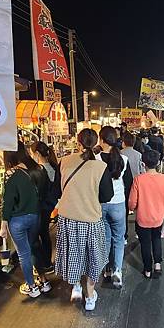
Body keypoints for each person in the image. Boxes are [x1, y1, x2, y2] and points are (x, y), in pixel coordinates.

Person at [56, 129, 114, 311]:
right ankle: (89, 297)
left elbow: (58, 191)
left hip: (67, 218)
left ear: (78, 143)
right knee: (92, 258)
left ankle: (76, 287)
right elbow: (107, 196)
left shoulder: (64, 161)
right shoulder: (100, 167)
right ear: (96, 143)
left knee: (73, 255)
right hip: (90, 218)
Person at [0, 142, 45, 298]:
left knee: (24, 254)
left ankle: (32, 287)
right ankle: (43, 281)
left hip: (18, 220)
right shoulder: (36, 169)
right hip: (36, 216)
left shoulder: (11, 174)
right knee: (34, 246)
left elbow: (8, 202)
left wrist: (3, 224)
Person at [96, 126, 133, 288]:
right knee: (118, 239)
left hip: (100, 204)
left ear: (102, 140)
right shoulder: (123, 159)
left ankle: (107, 269)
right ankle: (118, 270)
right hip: (118, 203)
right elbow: (129, 182)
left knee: (105, 239)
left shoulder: (95, 159)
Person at [129, 150, 164, 278]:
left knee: (145, 243)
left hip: (143, 218)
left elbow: (132, 201)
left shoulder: (138, 179)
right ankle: (158, 264)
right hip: (158, 218)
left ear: (143, 164)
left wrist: (132, 208)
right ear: (158, 163)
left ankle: (147, 270)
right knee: (156, 239)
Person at [29, 141, 62, 275]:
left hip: (43, 205)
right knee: (44, 233)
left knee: (41, 234)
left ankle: (45, 264)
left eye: (32, 153)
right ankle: (47, 262)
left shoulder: (39, 170)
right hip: (50, 204)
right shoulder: (54, 166)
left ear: (37, 153)